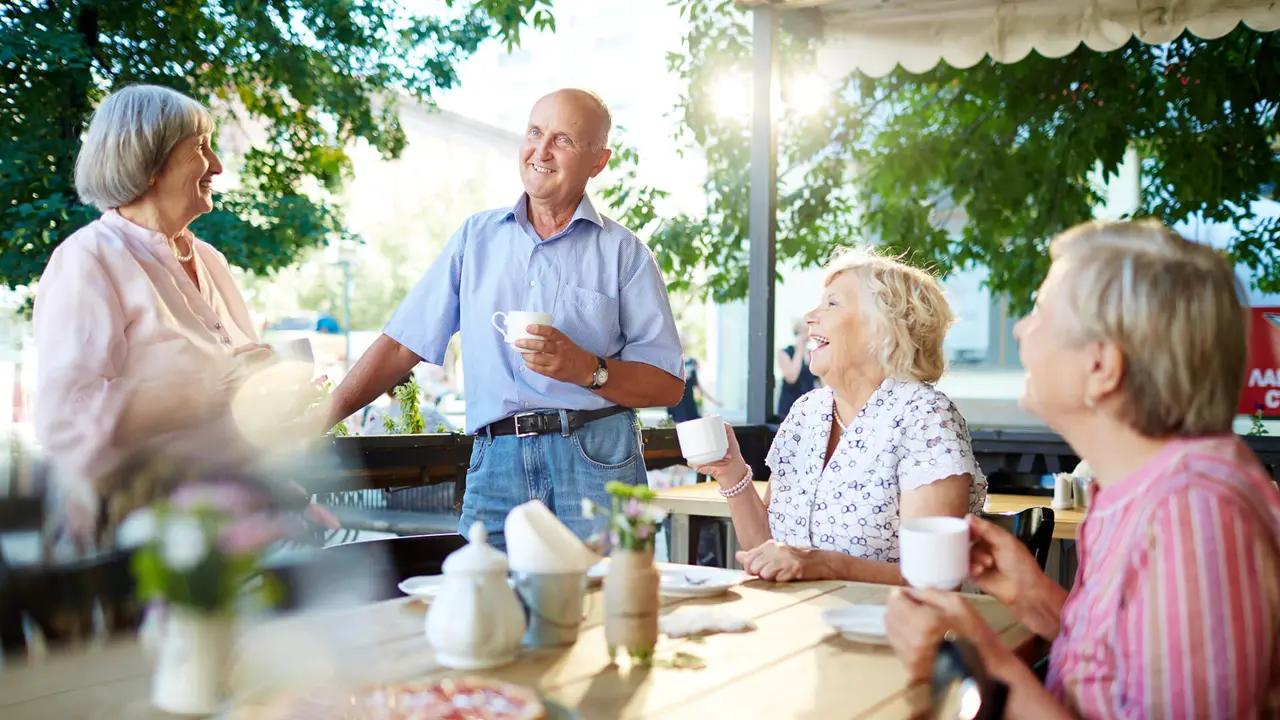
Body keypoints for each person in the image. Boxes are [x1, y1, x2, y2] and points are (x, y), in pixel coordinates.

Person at [885, 220, 1280, 718]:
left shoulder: (1195, 516)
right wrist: (1036, 599)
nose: (1019, 328)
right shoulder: (1148, 493)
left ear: (1101, 367)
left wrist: (974, 659)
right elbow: (1122, 666)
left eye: (1041, 313)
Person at [325, 89, 684, 545]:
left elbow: (668, 384)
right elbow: (401, 344)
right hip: (495, 462)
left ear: (598, 162)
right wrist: (319, 420)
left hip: (596, 457)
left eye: (564, 140)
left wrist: (588, 370)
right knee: (486, 606)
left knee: (606, 608)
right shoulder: (475, 238)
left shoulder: (625, 253)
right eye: (535, 133)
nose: (542, 150)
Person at [32, 85, 335, 551]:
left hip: (228, 524)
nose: (217, 165)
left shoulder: (210, 260)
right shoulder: (88, 260)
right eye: (199, 148)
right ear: (149, 162)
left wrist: (281, 489)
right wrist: (211, 389)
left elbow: (233, 408)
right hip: (135, 536)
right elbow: (66, 417)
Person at [692, 248, 986, 583]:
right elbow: (768, 551)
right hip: (797, 621)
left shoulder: (926, 417)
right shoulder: (806, 412)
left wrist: (826, 565)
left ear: (884, 328)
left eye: (832, 303)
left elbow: (934, 579)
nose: (809, 316)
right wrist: (733, 475)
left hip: (888, 630)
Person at [667, 342, 719, 425]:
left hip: (689, 403)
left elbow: (697, 385)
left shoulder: (691, 362)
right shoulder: (670, 361)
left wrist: (714, 400)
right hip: (676, 403)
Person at [776, 319, 817, 421]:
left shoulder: (812, 354)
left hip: (808, 407)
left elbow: (822, 381)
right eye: (804, 330)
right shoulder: (785, 352)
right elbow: (791, 377)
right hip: (789, 406)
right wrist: (799, 350)